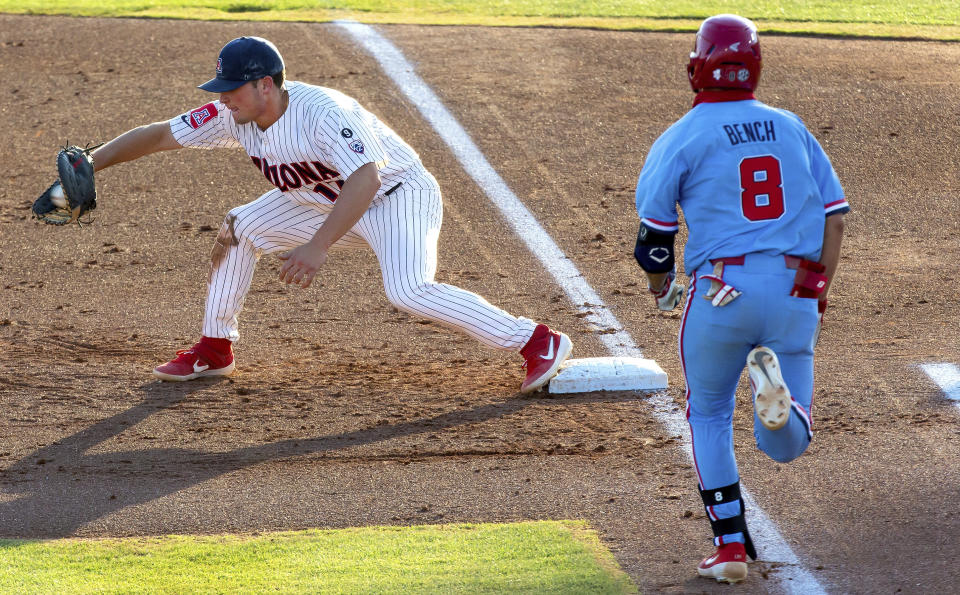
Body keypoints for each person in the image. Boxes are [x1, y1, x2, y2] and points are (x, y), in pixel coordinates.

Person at [84, 36, 572, 393]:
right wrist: (92, 161)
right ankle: (214, 348)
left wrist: (318, 246)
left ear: (266, 86)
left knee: (409, 291)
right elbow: (162, 134)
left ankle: (536, 340)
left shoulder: (323, 112)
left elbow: (366, 179)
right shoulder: (234, 115)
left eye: (232, 88)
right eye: (222, 88)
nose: (222, 97)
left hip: (395, 198)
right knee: (241, 226)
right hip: (321, 200)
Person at [632, 15, 848, 584]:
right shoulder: (791, 126)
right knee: (784, 445)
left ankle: (728, 547)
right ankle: (774, 400)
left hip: (722, 292)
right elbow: (835, 219)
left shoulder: (682, 135)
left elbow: (654, 243)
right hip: (794, 288)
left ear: (698, 65)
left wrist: (663, 290)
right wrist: (814, 291)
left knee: (705, 413)